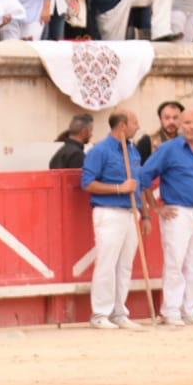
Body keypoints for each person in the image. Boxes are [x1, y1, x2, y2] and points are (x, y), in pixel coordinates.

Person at [137, 108, 193, 328]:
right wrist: (156, 207)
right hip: (177, 211)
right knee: (175, 262)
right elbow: (144, 174)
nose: (191, 126)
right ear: (181, 125)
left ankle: (191, 308)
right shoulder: (169, 149)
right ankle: (171, 310)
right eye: (187, 122)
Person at [81, 109, 150, 331]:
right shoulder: (99, 150)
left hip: (131, 213)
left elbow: (140, 184)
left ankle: (119, 312)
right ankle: (100, 313)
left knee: (124, 265)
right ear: (122, 126)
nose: (138, 127)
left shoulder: (133, 150)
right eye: (135, 122)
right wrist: (120, 188)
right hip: (109, 211)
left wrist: (145, 213)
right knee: (107, 263)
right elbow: (87, 183)